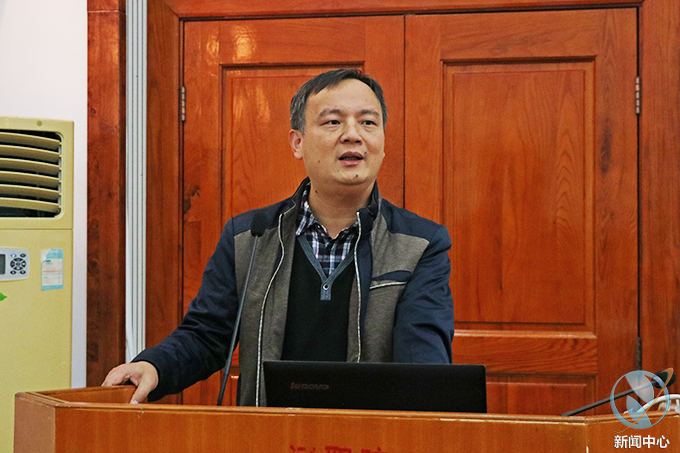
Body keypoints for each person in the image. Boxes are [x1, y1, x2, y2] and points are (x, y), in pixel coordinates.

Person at [103, 69, 454, 406]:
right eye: (333, 122)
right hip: (266, 434)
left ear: (383, 142)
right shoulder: (249, 237)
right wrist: (155, 366)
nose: (352, 134)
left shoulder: (420, 245)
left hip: (372, 437)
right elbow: (206, 335)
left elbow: (424, 363)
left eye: (368, 122)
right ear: (298, 142)